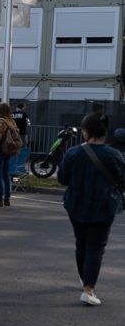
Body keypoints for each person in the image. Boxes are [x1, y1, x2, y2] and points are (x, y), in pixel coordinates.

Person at [57, 112, 125, 306]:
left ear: (85, 132)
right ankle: (89, 288)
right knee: (96, 247)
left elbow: (62, 179)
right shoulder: (114, 155)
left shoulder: (73, 153)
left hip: (76, 205)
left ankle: (84, 278)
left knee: (81, 243)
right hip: (104, 206)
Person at [0, 102, 20, 206]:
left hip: (0, 151)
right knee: (6, 175)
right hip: (8, 150)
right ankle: (7, 199)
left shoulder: (0, 122)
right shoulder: (12, 121)